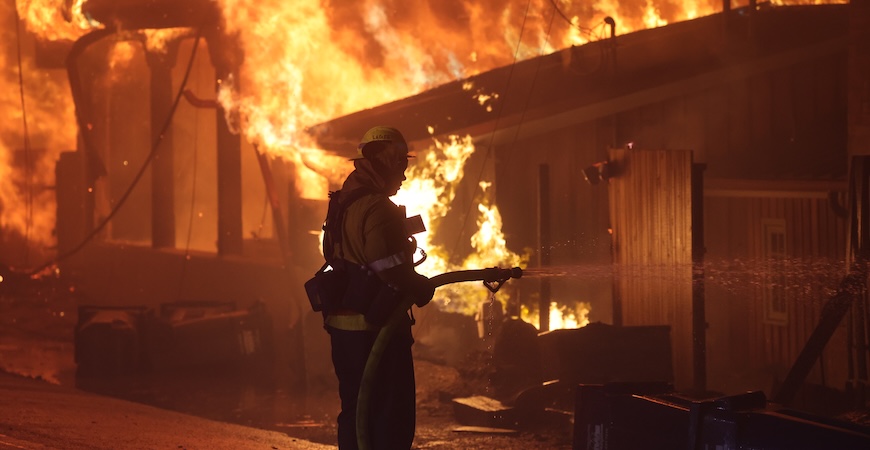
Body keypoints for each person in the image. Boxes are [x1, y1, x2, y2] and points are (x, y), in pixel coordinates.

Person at [319, 126, 435, 450]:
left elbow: (333, 253)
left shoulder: (342, 202)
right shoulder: (378, 208)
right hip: (376, 331)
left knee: (357, 413)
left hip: (344, 331)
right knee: (391, 417)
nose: (404, 175)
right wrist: (419, 286)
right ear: (384, 160)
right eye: (400, 165)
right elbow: (388, 267)